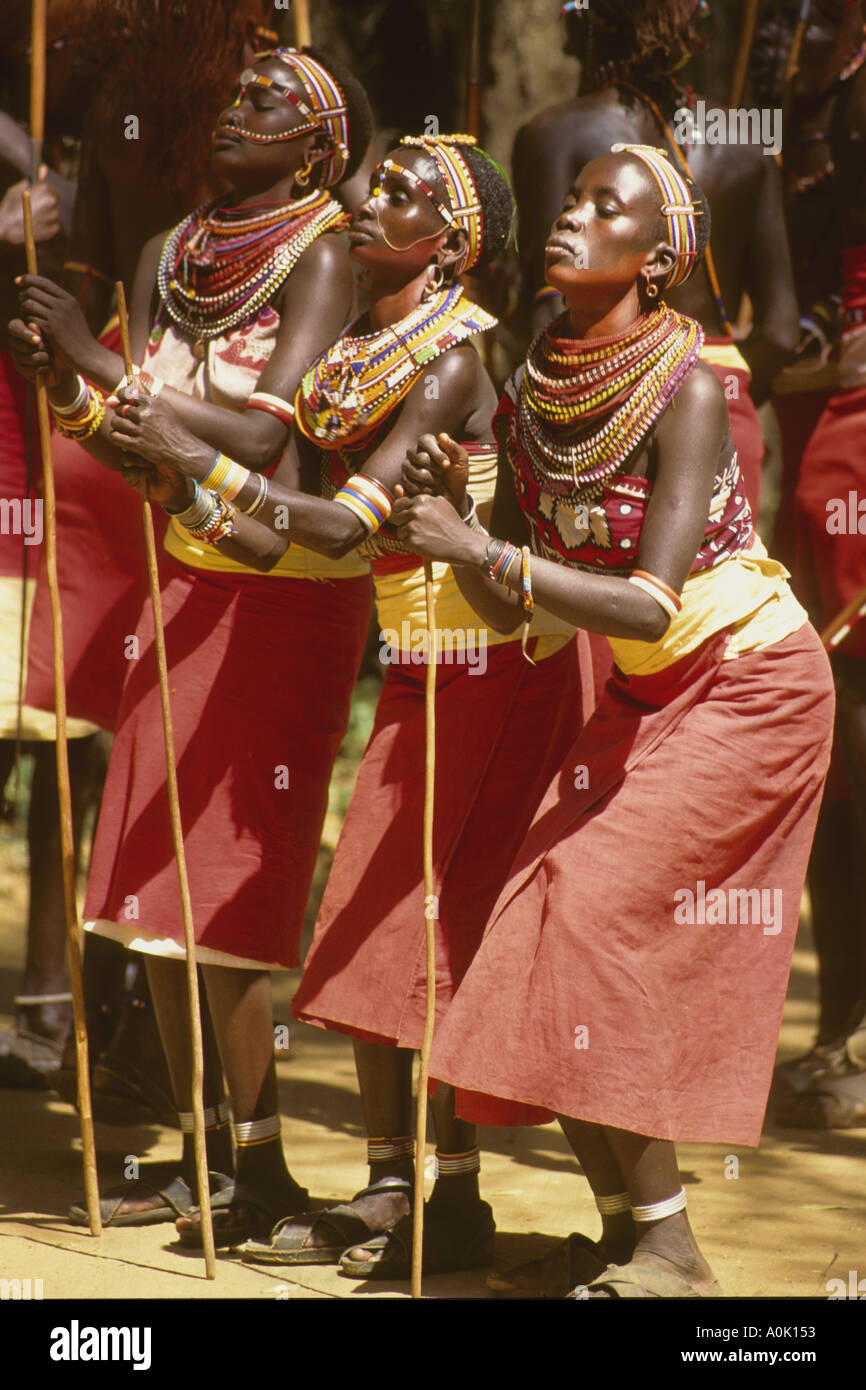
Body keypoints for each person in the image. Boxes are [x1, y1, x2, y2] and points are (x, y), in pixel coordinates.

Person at [109, 131, 593, 1275]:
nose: (371, 206)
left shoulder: (453, 361)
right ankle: (392, 1180)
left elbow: (338, 526)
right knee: (375, 932)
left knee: (429, 926)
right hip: (422, 666)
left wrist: (198, 457)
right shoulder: (359, 357)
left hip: (500, 670)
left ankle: (451, 1195)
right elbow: (291, 510)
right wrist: (183, 484)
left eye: (405, 197)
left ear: (457, 245)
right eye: (377, 186)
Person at [392, 144, 835, 1298]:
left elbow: (646, 595)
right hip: (646, 688)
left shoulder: (689, 384)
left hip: (748, 684)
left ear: (659, 259)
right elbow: (518, 601)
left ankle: (674, 1247)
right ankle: (617, 1229)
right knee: (523, 924)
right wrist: (458, 516)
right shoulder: (537, 370)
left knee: (585, 913)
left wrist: (482, 546)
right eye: (572, 200)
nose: (571, 218)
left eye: (607, 210)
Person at [9, 45, 375, 1243]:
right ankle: (203, 1148)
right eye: (233, 94)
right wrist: (65, 386)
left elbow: (267, 439)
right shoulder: (173, 249)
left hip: (284, 592)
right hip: (180, 576)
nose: (237, 109)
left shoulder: (327, 254)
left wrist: (98, 362)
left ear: (317, 146)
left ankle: (261, 1164)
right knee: (150, 891)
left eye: (269, 102)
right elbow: (137, 444)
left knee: (227, 884)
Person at [511, 0, 799, 517]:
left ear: (591, 23)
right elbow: (780, 331)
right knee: (722, 593)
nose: (561, 41)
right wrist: (712, 399)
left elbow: (544, 309)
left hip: (592, 408)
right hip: (724, 401)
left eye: (568, 16)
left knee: (599, 592)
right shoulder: (744, 142)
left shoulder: (554, 133)